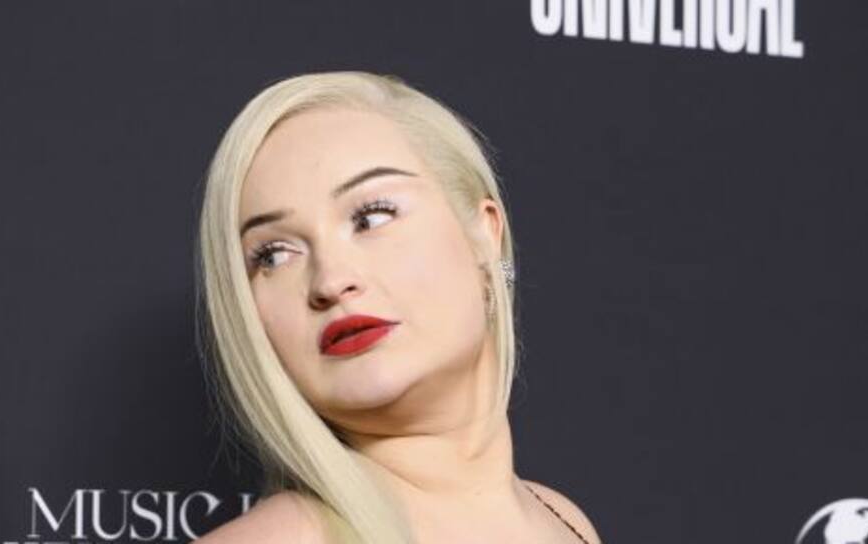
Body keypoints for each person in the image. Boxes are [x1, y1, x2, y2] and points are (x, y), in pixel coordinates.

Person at [192, 71, 601, 544]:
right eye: (273, 255)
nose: (330, 281)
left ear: (484, 236)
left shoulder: (563, 521)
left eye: (371, 218)